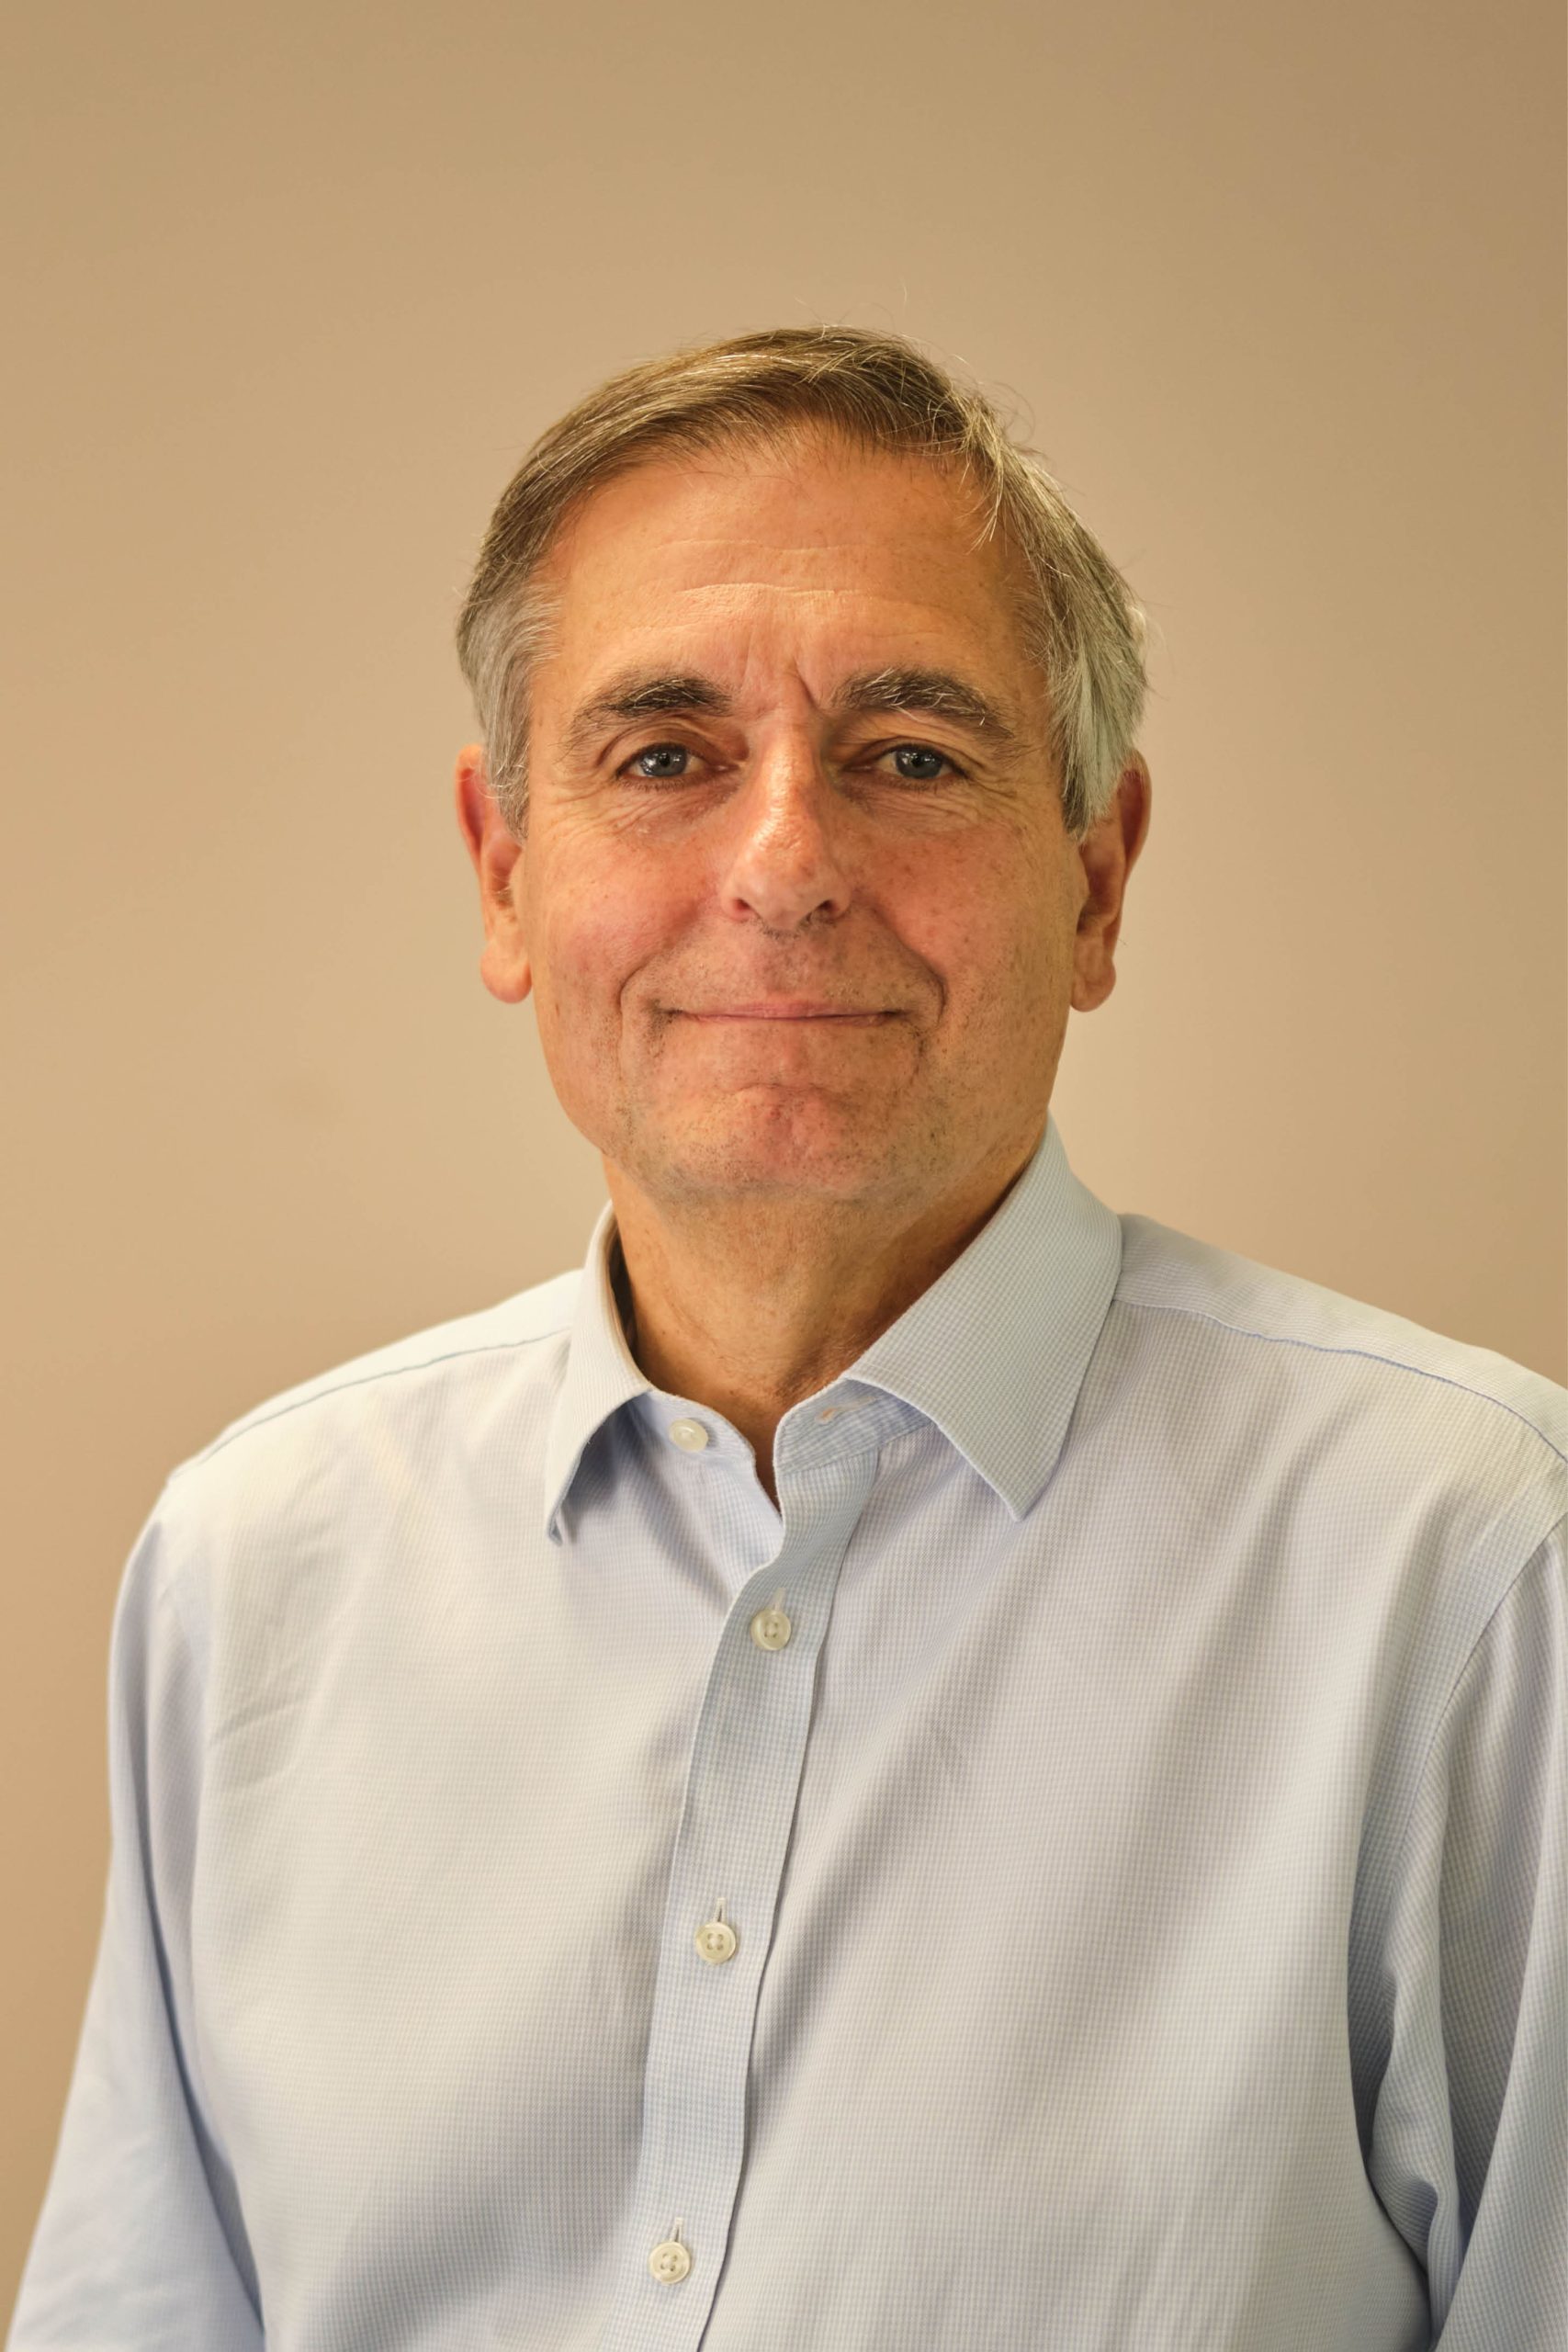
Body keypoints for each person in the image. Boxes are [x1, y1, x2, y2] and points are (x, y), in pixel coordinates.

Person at [9, 326, 1563, 2352]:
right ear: (502, 867)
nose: (782, 865)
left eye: (909, 755)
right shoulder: (256, 1560)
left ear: (1095, 876)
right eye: (662, 755)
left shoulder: (1471, 1568)